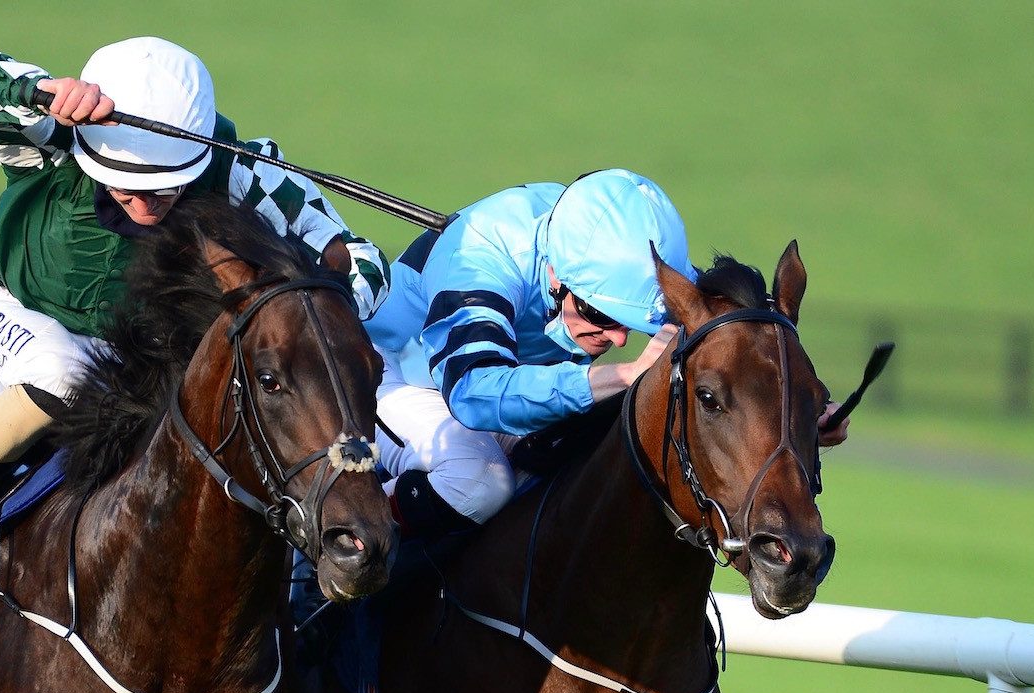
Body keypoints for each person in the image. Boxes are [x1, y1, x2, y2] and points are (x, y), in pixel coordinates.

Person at [0, 36, 391, 634]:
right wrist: (40, 90)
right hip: (22, 325)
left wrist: (313, 289)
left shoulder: (244, 168)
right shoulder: (54, 135)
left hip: (145, 360)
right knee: (64, 373)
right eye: (122, 185)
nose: (141, 203)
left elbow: (368, 265)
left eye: (163, 187)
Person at [363, 169, 847, 539]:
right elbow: (473, 395)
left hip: (507, 379)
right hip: (401, 375)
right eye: (602, 316)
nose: (616, 338)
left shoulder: (614, 251)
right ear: (557, 278)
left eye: (630, 323)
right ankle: (335, 552)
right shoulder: (482, 258)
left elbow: (735, 334)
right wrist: (623, 376)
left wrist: (799, 412)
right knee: (479, 482)